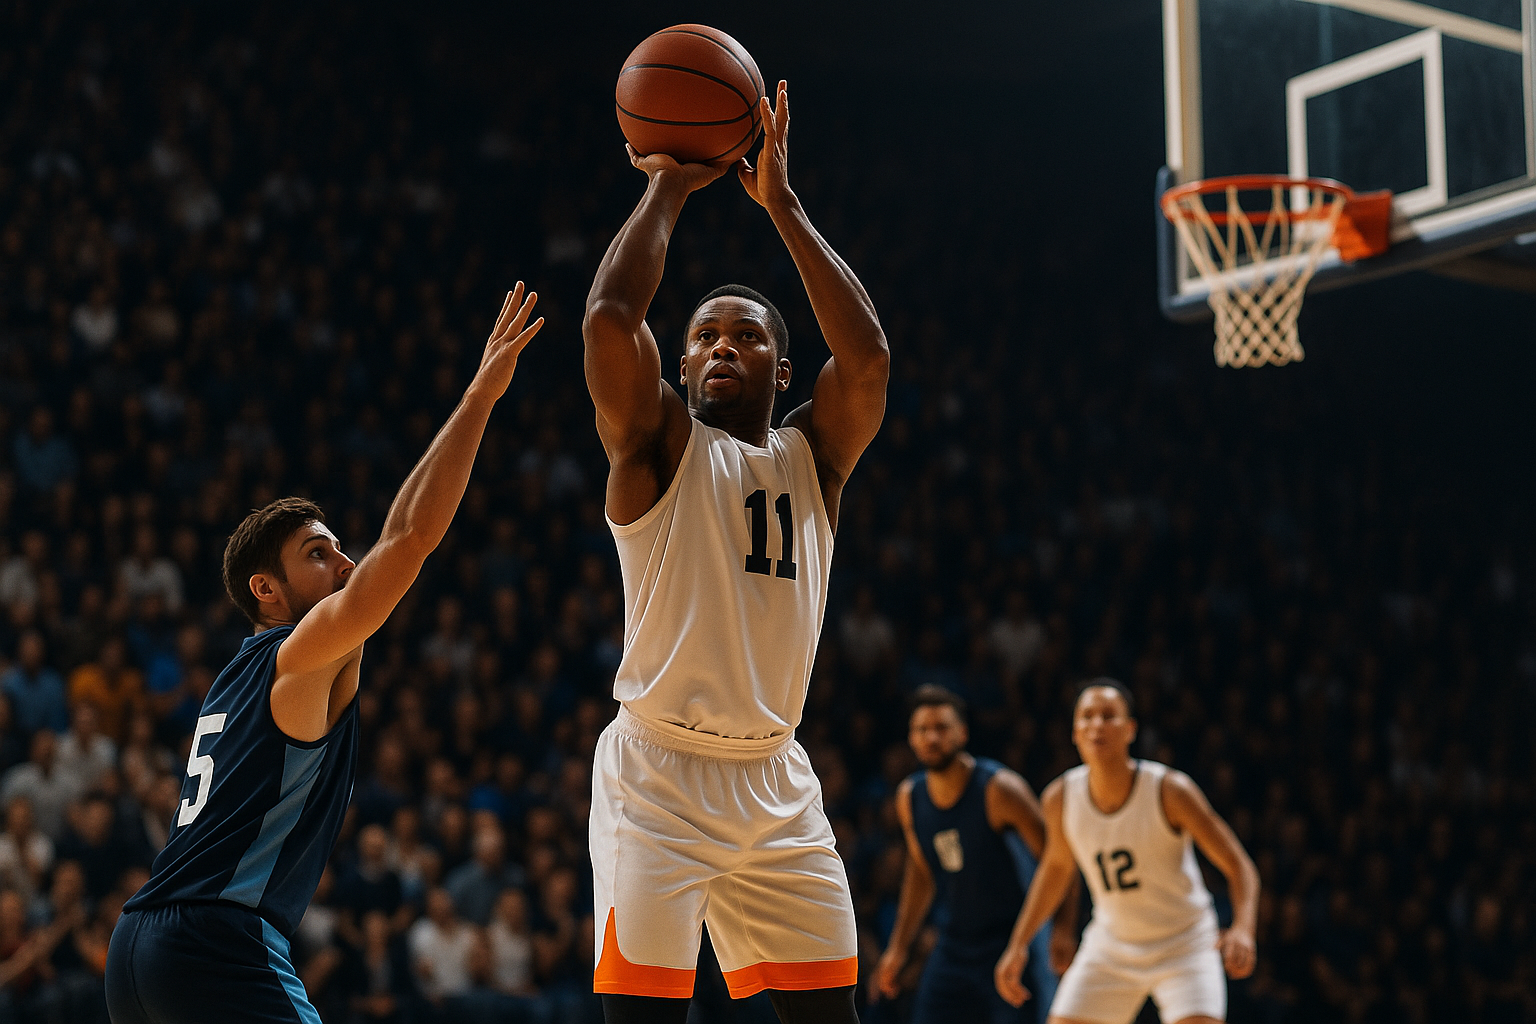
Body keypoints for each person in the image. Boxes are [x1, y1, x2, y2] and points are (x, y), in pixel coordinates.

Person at [103, 285, 544, 1024]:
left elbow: (392, 534)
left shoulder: (234, 677)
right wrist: (478, 399)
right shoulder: (298, 655)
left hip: (137, 949)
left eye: (342, 550)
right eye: (319, 554)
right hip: (216, 941)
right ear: (266, 589)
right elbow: (408, 542)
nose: (344, 566)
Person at [582, 80, 889, 1024]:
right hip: (658, 780)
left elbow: (869, 358)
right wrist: (668, 187)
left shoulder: (816, 458)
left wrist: (783, 208)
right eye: (704, 336)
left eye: (746, 336)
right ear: (680, 367)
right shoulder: (658, 448)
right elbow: (606, 321)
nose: (722, 346)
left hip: (778, 784)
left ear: (781, 370)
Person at [993, 680, 1260, 1024]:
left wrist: (1243, 928)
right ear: (1074, 732)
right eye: (1087, 717)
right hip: (1111, 946)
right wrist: (1019, 943)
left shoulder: (1170, 791)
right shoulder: (1059, 798)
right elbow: (1056, 870)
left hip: (1184, 944)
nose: (1097, 726)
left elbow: (1240, 865)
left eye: (1108, 716)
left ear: (1131, 729)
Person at [874, 685, 1078, 1023]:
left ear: (962, 733)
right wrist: (898, 948)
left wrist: (1063, 929)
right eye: (922, 730)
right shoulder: (910, 797)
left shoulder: (1000, 789)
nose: (931, 738)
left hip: (1007, 942)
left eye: (941, 728)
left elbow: (1058, 861)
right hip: (953, 944)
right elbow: (921, 874)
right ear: (911, 738)